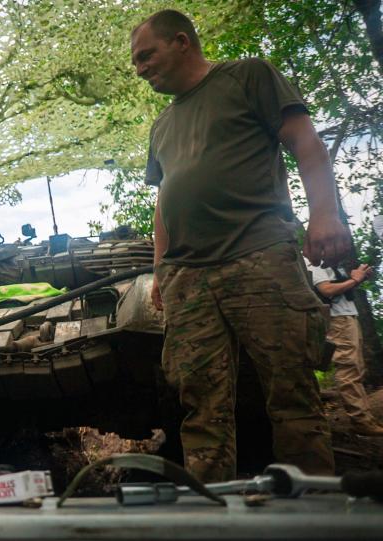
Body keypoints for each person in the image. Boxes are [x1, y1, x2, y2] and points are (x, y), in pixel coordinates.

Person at [132, 9, 350, 482]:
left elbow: (305, 141)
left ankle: (310, 505)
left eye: (146, 55)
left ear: (182, 42)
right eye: (136, 62)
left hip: (259, 255)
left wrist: (325, 215)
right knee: (199, 407)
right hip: (188, 278)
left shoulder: (248, 75)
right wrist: (160, 271)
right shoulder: (162, 127)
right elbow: (164, 202)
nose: (140, 68)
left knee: (291, 392)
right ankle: (215, 510)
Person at [309, 262, 383, 436]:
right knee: (349, 369)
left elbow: (341, 288)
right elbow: (326, 290)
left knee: (356, 368)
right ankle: (361, 421)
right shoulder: (314, 263)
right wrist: (355, 279)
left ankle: (365, 418)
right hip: (337, 320)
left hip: (347, 317)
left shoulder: (331, 264)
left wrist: (357, 278)